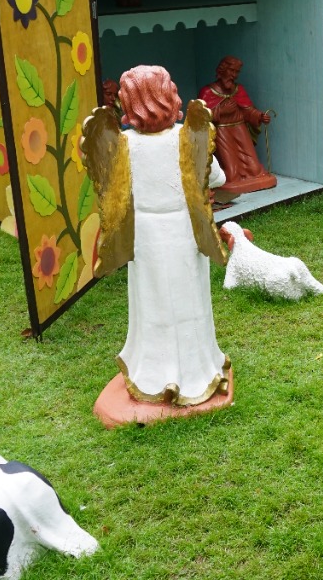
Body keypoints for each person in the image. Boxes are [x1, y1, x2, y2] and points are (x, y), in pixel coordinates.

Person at [82, 65, 230, 409]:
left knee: (152, 301)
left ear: (129, 103)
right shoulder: (186, 137)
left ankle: (151, 372)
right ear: (169, 96)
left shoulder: (122, 144)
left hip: (145, 236)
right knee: (189, 299)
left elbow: (110, 192)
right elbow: (218, 177)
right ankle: (197, 368)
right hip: (183, 231)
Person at [198, 55, 276, 198]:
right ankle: (229, 181)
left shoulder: (238, 89)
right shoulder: (208, 92)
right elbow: (202, 117)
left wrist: (259, 116)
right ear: (222, 70)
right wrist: (221, 111)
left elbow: (248, 110)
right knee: (232, 173)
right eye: (231, 71)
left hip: (240, 129)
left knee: (255, 169)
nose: (234, 76)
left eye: (236, 72)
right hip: (221, 132)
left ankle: (252, 179)